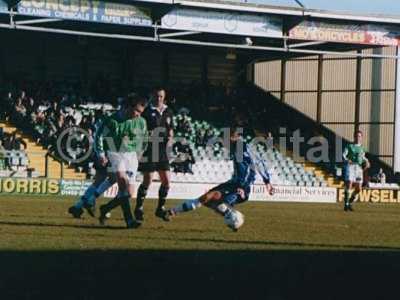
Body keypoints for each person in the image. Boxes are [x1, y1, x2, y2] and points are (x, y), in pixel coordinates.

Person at [166, 127, 274, 231]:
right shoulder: (239, 147)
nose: (223, 143)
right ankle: (231, 216)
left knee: (212, 198)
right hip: (233, 183)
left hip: (240, 186)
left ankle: (233, 218)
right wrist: (267, 182)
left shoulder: (240, 147)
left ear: (231, 138)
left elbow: (250, 168)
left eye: (224, 140)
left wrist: (244, 186)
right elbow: (258, 162)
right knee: (207, 200)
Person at [95, 94, 148, 228]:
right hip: (114, 152)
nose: (138, 115)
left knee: (129, 193)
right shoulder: (112, 120)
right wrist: (101, 154)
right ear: (128, 107)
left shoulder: (141, 122)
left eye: (141, 112)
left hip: (131, 156)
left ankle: (105, 208)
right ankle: (129, 220)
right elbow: (99, 136)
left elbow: (144, 138)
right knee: (122, 182)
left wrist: (140, 152)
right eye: (136, 111)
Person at [134, 88, 174, 225]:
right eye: (157, 96)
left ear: (164, 97)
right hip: (149, 149)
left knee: (167, 181)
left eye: (161, 96)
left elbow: (171, 129)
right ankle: (138, 208)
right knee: (148, 180)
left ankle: (160, 208)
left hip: (162, 150)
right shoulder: (146, 111)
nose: (159, 98)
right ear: (153, 96)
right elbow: (139, 127)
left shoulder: (169, 111)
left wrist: (170, 139)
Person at [342, 130, 370, 212]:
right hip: (350, 166)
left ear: (361, 137)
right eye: (357, 136)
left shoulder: (362, 148)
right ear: (354, 137)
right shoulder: (349, 146)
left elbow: (363, 157)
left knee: (358, 189)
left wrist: (367, 161)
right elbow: (343, 155)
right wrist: (347, 160)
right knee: (349, 183)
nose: (358, 138)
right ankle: (346, 205)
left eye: (360, 136)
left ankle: (349, 202)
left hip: (359, 168)